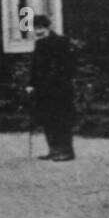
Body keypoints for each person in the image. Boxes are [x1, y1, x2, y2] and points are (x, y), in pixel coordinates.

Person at [28, 15, 76, 162]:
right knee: (47, 118)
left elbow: (68, 66)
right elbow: (35, 68)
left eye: (41, 28)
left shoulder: (62, 42)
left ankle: (67, 152)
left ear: (48, 28)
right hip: (43, 89)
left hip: (60, 89)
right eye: (35, 29)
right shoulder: (39, 45)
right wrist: (31, 84)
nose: (38, 31)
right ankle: (53, 150)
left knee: (61, 119)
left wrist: (59, 81)